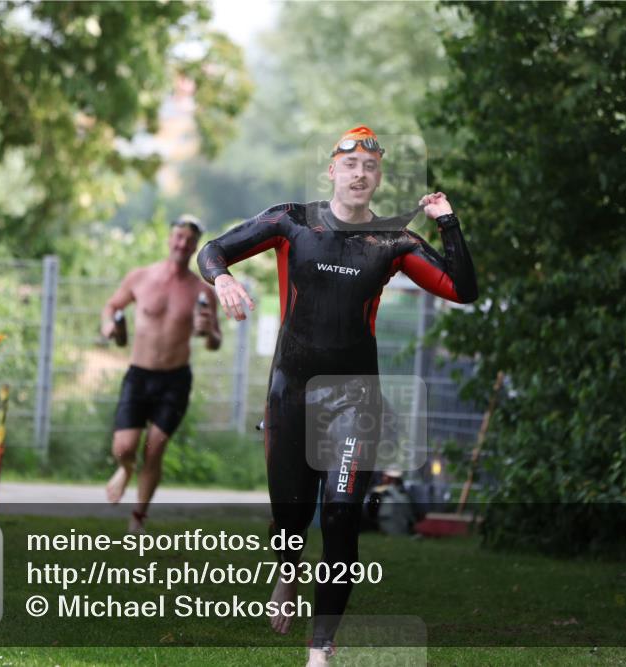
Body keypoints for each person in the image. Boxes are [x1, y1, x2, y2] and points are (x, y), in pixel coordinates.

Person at [197, 126, 478, 666]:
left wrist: (447, 221)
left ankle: (320, 650)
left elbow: (460, 290)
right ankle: (287, 571)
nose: (359, 174)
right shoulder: (292, 222)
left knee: (342, 516)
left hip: (354, 400)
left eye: (370, 167)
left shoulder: (392, 243)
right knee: (290, 516)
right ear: (332, 171)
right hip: (291, 394)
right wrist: (224, 281)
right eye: (350, 165)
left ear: (378, 179)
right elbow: (214, 250)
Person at [102, 214, 222, 533]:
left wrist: (209, 330)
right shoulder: (141, 277)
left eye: (190, 240)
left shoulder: (202, 290)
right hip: (138, 374)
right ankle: (125, 469)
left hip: (175, 379)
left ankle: (138, 517)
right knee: (124, 448)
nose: (182, 244)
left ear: (196, 246)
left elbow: (215, 342)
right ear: (170, 239)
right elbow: (112, 306)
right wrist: (109, 325)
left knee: (155, 448)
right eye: (178, 237)